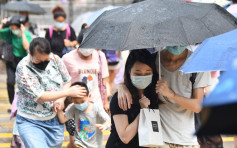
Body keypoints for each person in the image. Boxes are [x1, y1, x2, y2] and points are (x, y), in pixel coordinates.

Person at [118, 47, 211, 148]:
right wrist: (121, 87)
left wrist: (171, 94)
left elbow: (198, 106)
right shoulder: (153, 60)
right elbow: (135, 80)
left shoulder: (198, 62)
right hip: (157, 139)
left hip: (186, 140)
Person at [15, 37, 87, 148]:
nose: (43, 64)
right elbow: (40, 96)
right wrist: (67, 92)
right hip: (31, 121)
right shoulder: (23, 68)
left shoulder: (55, 59)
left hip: (54, 120)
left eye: (46, 60)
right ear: (30, 53)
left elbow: (66, 81)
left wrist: (60, 100)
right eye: (38, 61)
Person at [106, 49, 160, 148]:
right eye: (138, 74)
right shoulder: (121, 98)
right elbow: (125, 137)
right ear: (129, 72)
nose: (143, 76)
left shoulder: (154, 95)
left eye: (148, 73)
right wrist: (143, 112)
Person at [62, 48, 109, 148]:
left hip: (95, 102)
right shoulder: (67, 58)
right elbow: (63, 81)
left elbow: (104, 81)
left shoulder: (100, 56)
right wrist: (60, 101)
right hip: (74, 104)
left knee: (93, 137)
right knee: (75, 140)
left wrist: (106, 101)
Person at [57, 82, 111, 148]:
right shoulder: (74, 108)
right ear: (72, 100)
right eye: (76, 102)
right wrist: (59, 110)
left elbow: (108, 120)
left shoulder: (96, 108)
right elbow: (63, 119)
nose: (80, 104)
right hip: (79, 143)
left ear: (89, 96)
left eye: (82, 101)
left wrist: (105, 125)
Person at [0, 16, 32, 106]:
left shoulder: (26, 34)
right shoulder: (9, 32)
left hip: (23, 61)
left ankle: (22, 105)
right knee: (10, 82)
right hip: (11, 60)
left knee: (23, 83)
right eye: (12, 27)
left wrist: (22, 33)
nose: (14, 29)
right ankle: (13, 104)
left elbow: (27, 47)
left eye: (16, 27)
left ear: (20, 27)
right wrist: (2, 24)